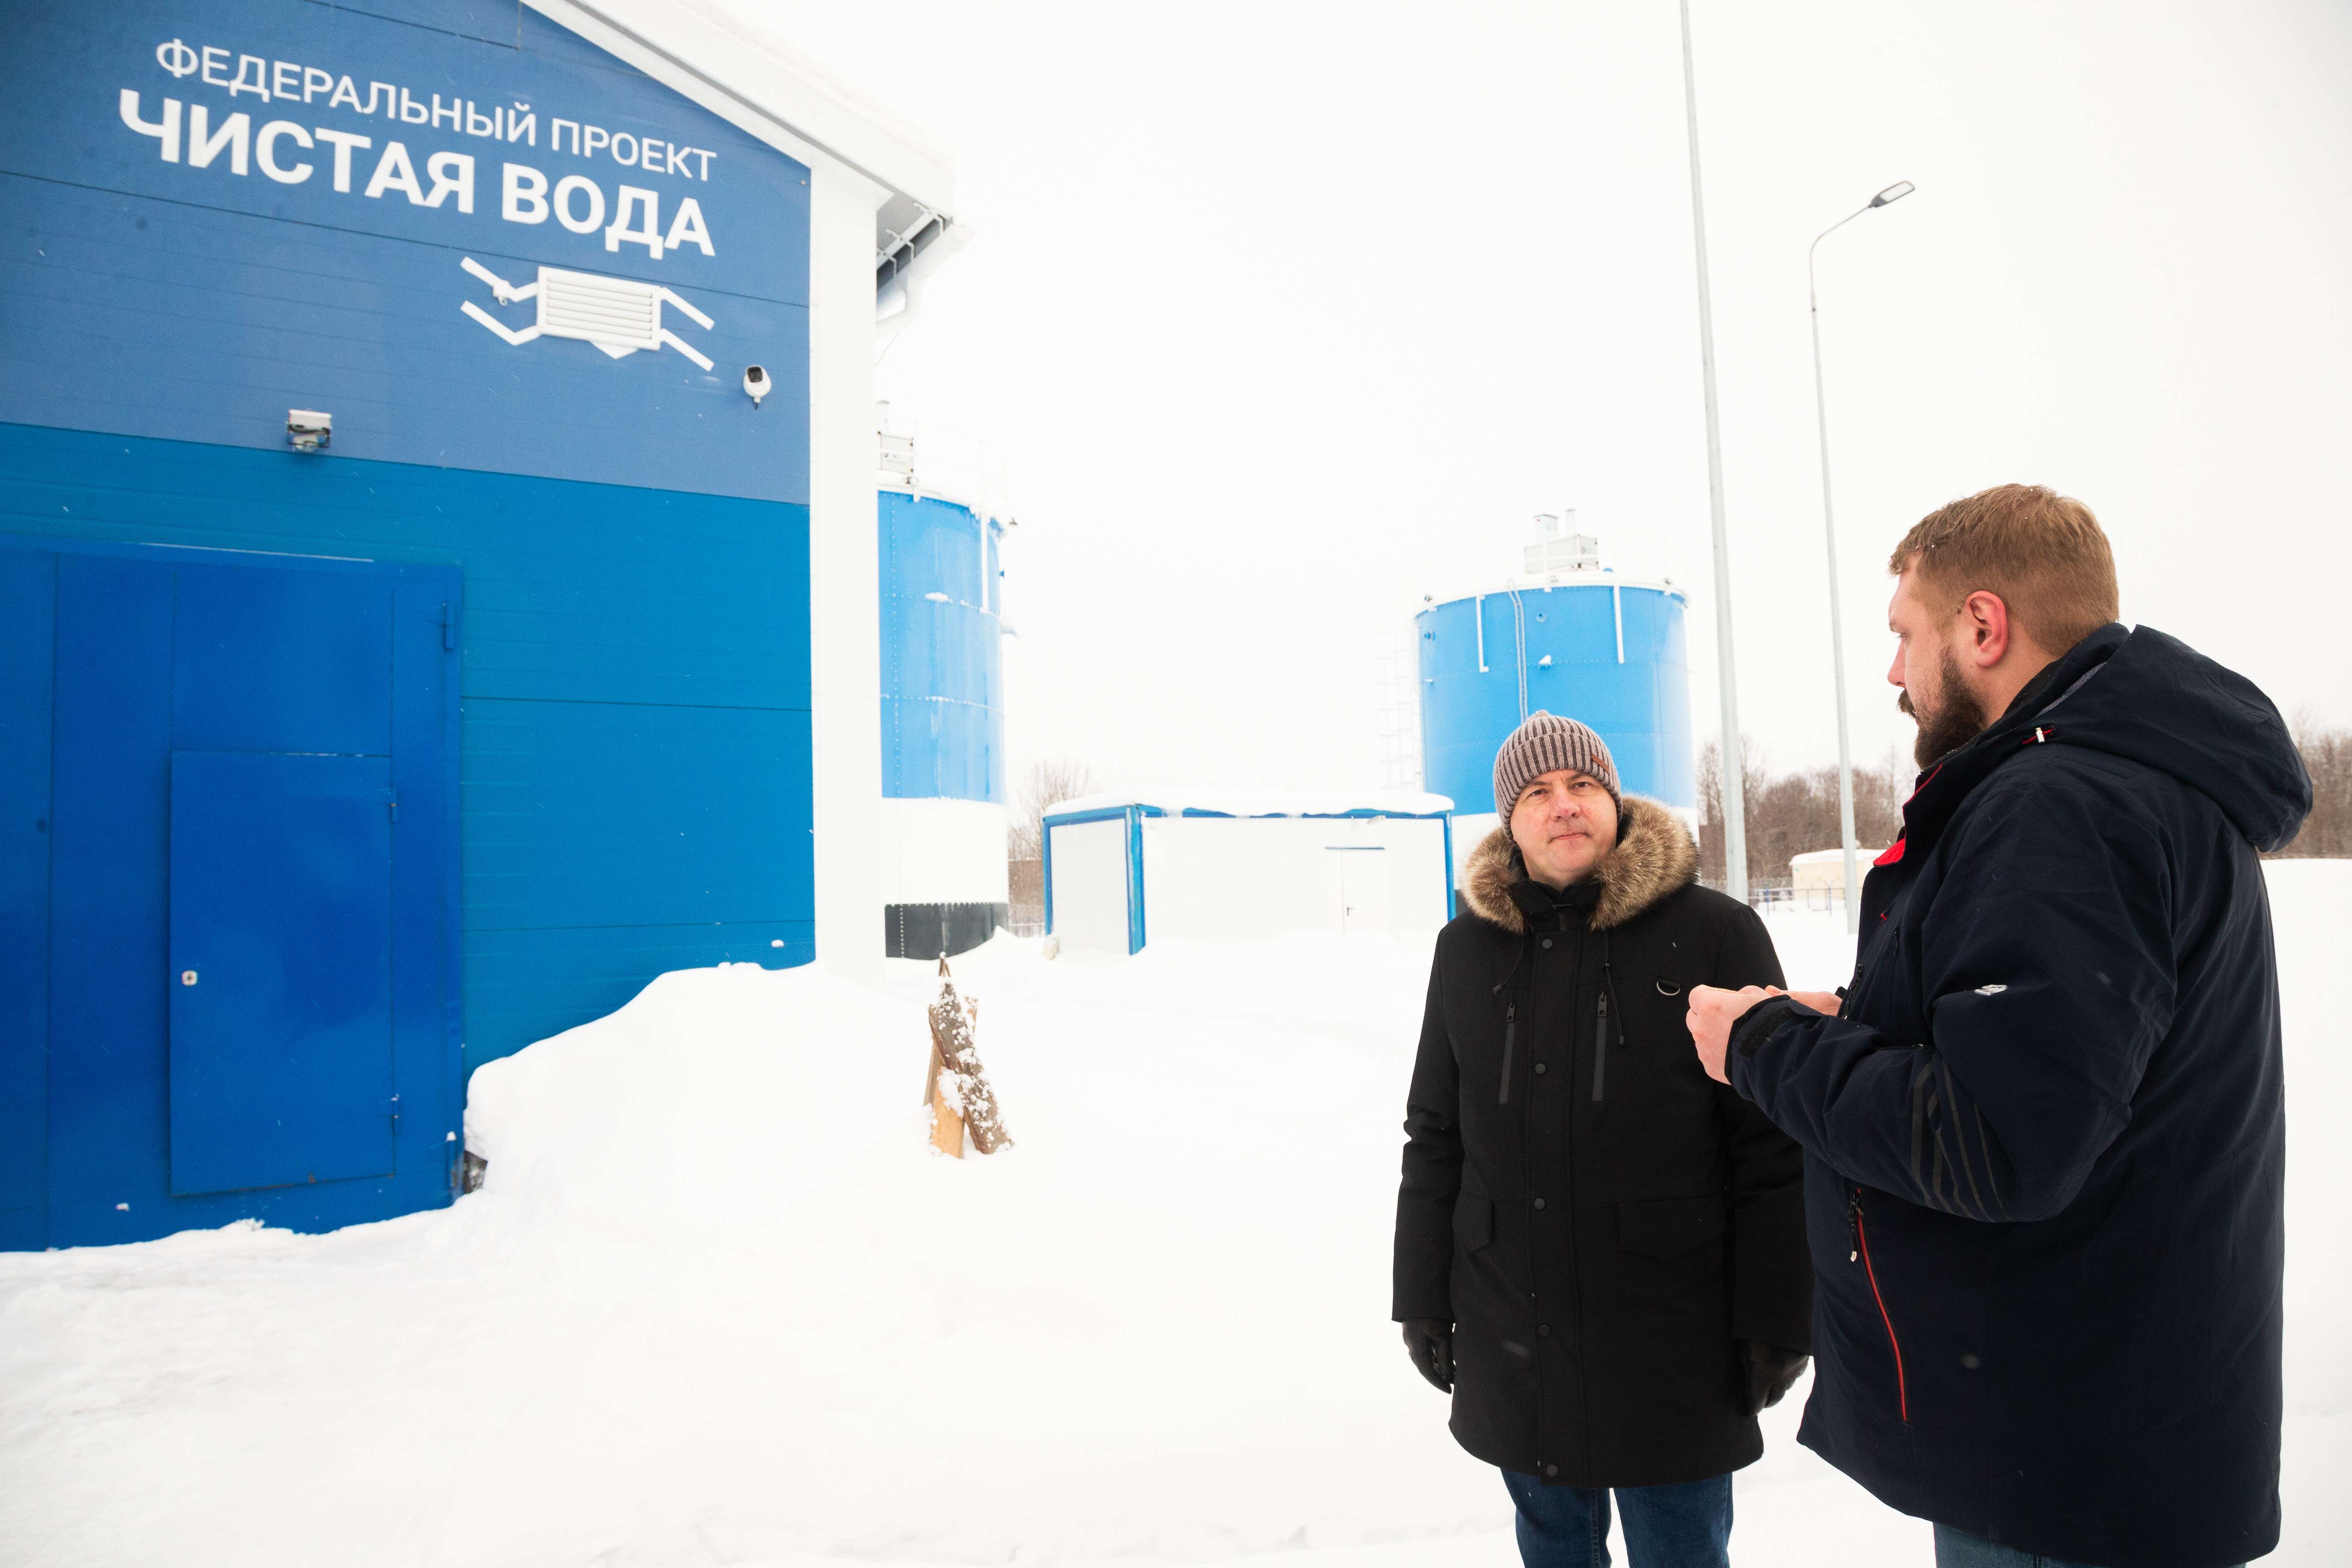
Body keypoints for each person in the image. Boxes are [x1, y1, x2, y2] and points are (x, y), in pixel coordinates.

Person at [1685, 484, 2311, 1568]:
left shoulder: (2060, 807)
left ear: (1983, 626)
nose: (1892, 672)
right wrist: (1865, 1018)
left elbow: (1996, 1143)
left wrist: (1761, 1047)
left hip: (2063, 1470)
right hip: (2107, 1432)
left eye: (1905, 636)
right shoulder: (2131, 787)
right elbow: (2074, 1061)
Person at [1393, 713, 1813, 1568]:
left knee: (1681, 1553)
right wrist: (1422, 1297)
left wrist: (1778, 1315)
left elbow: (1772, 1145)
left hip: (1673, 1340)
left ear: (1616, 803)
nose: (1564, 807)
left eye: (1583, 785)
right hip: (1517, 1327)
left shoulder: (1714, 933)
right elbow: (1435, 1134)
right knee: (1553, 1548)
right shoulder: (1465, 950)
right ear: (1510, 822)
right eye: (1539, 793)